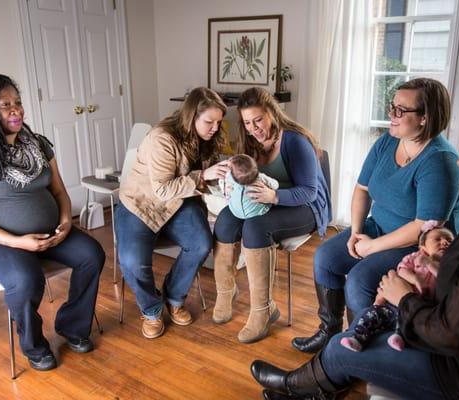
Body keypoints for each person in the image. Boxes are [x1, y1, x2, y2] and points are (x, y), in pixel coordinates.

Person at [250, 109, 459, 400]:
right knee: (337, 277)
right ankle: (327, 370)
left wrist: (404, 297)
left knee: (344, 343)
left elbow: (453, 333)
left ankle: (295, 386)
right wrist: (426, 274)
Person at [292, 78, 459, 354]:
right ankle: (330, 333)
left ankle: (363, 350)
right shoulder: (388, 142)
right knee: (325, 258)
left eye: (401, 110)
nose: (391, 115)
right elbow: (362, 190)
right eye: (392, 107)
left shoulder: (440, 161)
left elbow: (424, 227)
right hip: (380, 227)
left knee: (361, 280)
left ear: (425, 118)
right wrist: (355, 231)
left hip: (422, 246)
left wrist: (372, 246)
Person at [0, 74, 105, 371]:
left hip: (50, 233)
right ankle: (34, 345)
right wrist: (17, 242)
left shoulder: (37, 144)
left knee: (92, 254)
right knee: (26, 279)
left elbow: (60, 192)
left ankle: (73, 327)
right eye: (5, 105)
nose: (16, 110)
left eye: (18, 103)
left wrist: (66, 223)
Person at [212, 87, 331, 343]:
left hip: (304, 206)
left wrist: (274, 197)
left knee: (255, 228)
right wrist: (233, 182)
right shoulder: (249, 140)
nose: (254, 128)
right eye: (247, 122)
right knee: (224, 220)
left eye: (258, 120)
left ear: (272, 114)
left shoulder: (295, 141)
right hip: (267, 201)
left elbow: (310, 192)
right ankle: (226, 291)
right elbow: (246, 176)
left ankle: (263, 311)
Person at [115, 87, 230, 339]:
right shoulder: (162, 138)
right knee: (132, 261)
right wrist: (203, 176)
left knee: (200, 243)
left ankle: (174, 296)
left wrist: (225, 180)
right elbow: (164, 189)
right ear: (192, 117)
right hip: (141, 204)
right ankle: (151, 308)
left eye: (218, 122)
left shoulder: (206, 139)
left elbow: (201, 181)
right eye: (209, 122)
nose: (214, 128)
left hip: (178, 203)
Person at [340, 221, 454, 352]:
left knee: (406, 321)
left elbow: (445, 280)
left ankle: (399, 337)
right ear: (423, 248)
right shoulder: (415, 257)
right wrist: (416, 279)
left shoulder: (449, 266)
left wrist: (429, 264)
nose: (444, 242)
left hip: (417, 307)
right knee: (372, 314)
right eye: (438, 239)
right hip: (395, 300)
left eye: (449, 240)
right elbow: (402, 270)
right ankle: (358, 338)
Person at [220, 153, 279, 219]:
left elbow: (221, 181)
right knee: (269, 191)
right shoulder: (260, 177)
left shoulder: (229, 177)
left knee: (229, 195)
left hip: (235, 212)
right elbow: (276, 185)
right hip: (257, 212)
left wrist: (224, 189)